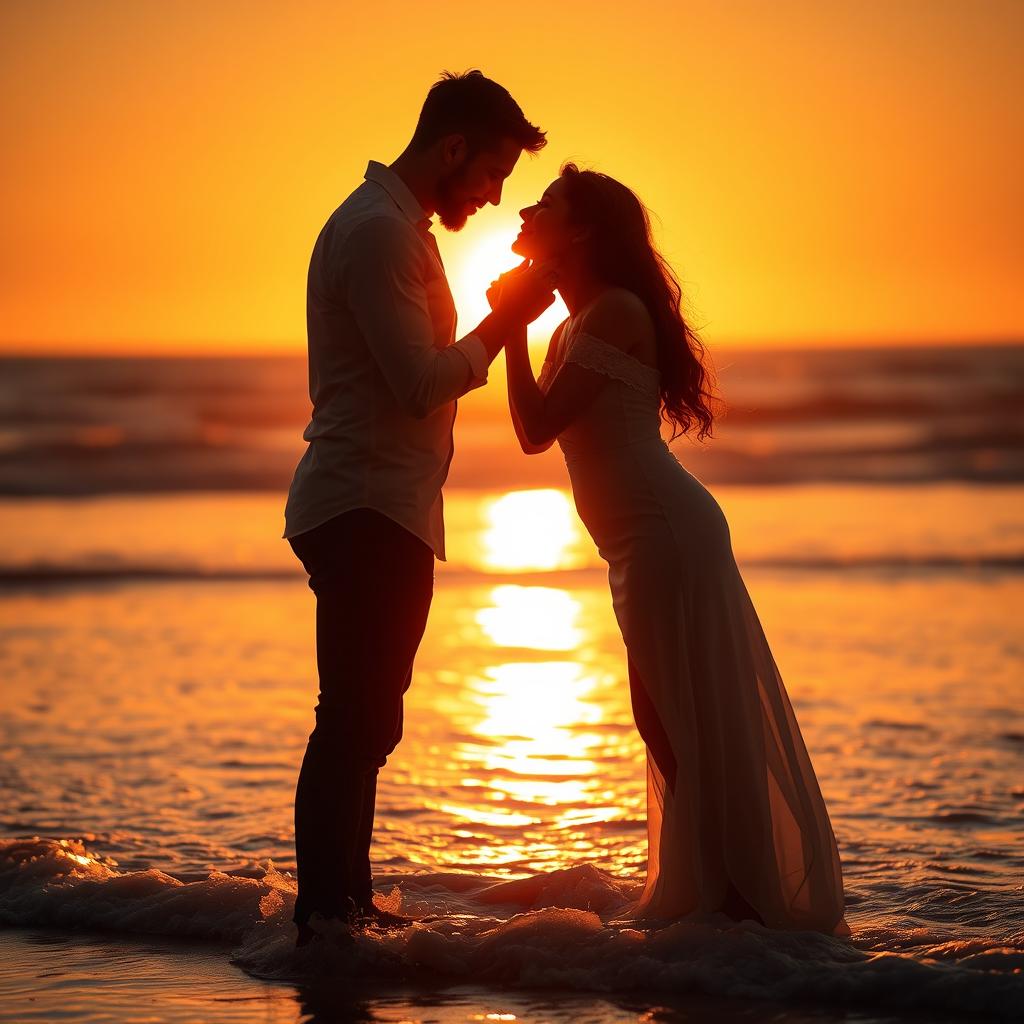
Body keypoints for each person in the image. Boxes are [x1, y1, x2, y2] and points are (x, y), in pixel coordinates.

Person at [495, 163, 849, 935]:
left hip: (663, 530)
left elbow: (535, 428)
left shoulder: (615, 312)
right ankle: (722, 898)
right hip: (637, 542)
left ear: (582, 230)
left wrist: (513, 329)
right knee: (665, 721)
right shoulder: (575, 322)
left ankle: (738, 904)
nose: (528, 207)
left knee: (678, 720)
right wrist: (528, 324)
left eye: (548, 203)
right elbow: (534, 430)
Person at [283, 71, 552, 945]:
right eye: (493, 170)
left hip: (378, 504)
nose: (494, 193)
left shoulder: (391, 227)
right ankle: (327, 917)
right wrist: (502, 324)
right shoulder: (378, 235)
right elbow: (416, 384)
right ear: (453, 147)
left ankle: (341, 910)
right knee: (355, 717)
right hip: (364, 505)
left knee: (367, 718)